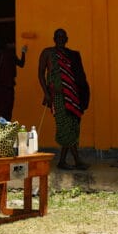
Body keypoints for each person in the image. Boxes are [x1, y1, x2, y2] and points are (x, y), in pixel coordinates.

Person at [37, 28, 90, 170]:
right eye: (58, 36)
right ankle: (77, 160)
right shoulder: (47, 52)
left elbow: (80, 76)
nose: (60, 39)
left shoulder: (72, 55)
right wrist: (46, 93)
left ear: (67, 39)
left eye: (63, 36)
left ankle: (62, 161)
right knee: (64, 127)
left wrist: (83, 94)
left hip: (73, 95)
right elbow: (41, 74)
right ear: (54, 39)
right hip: (58, 96)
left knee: (72, 127)